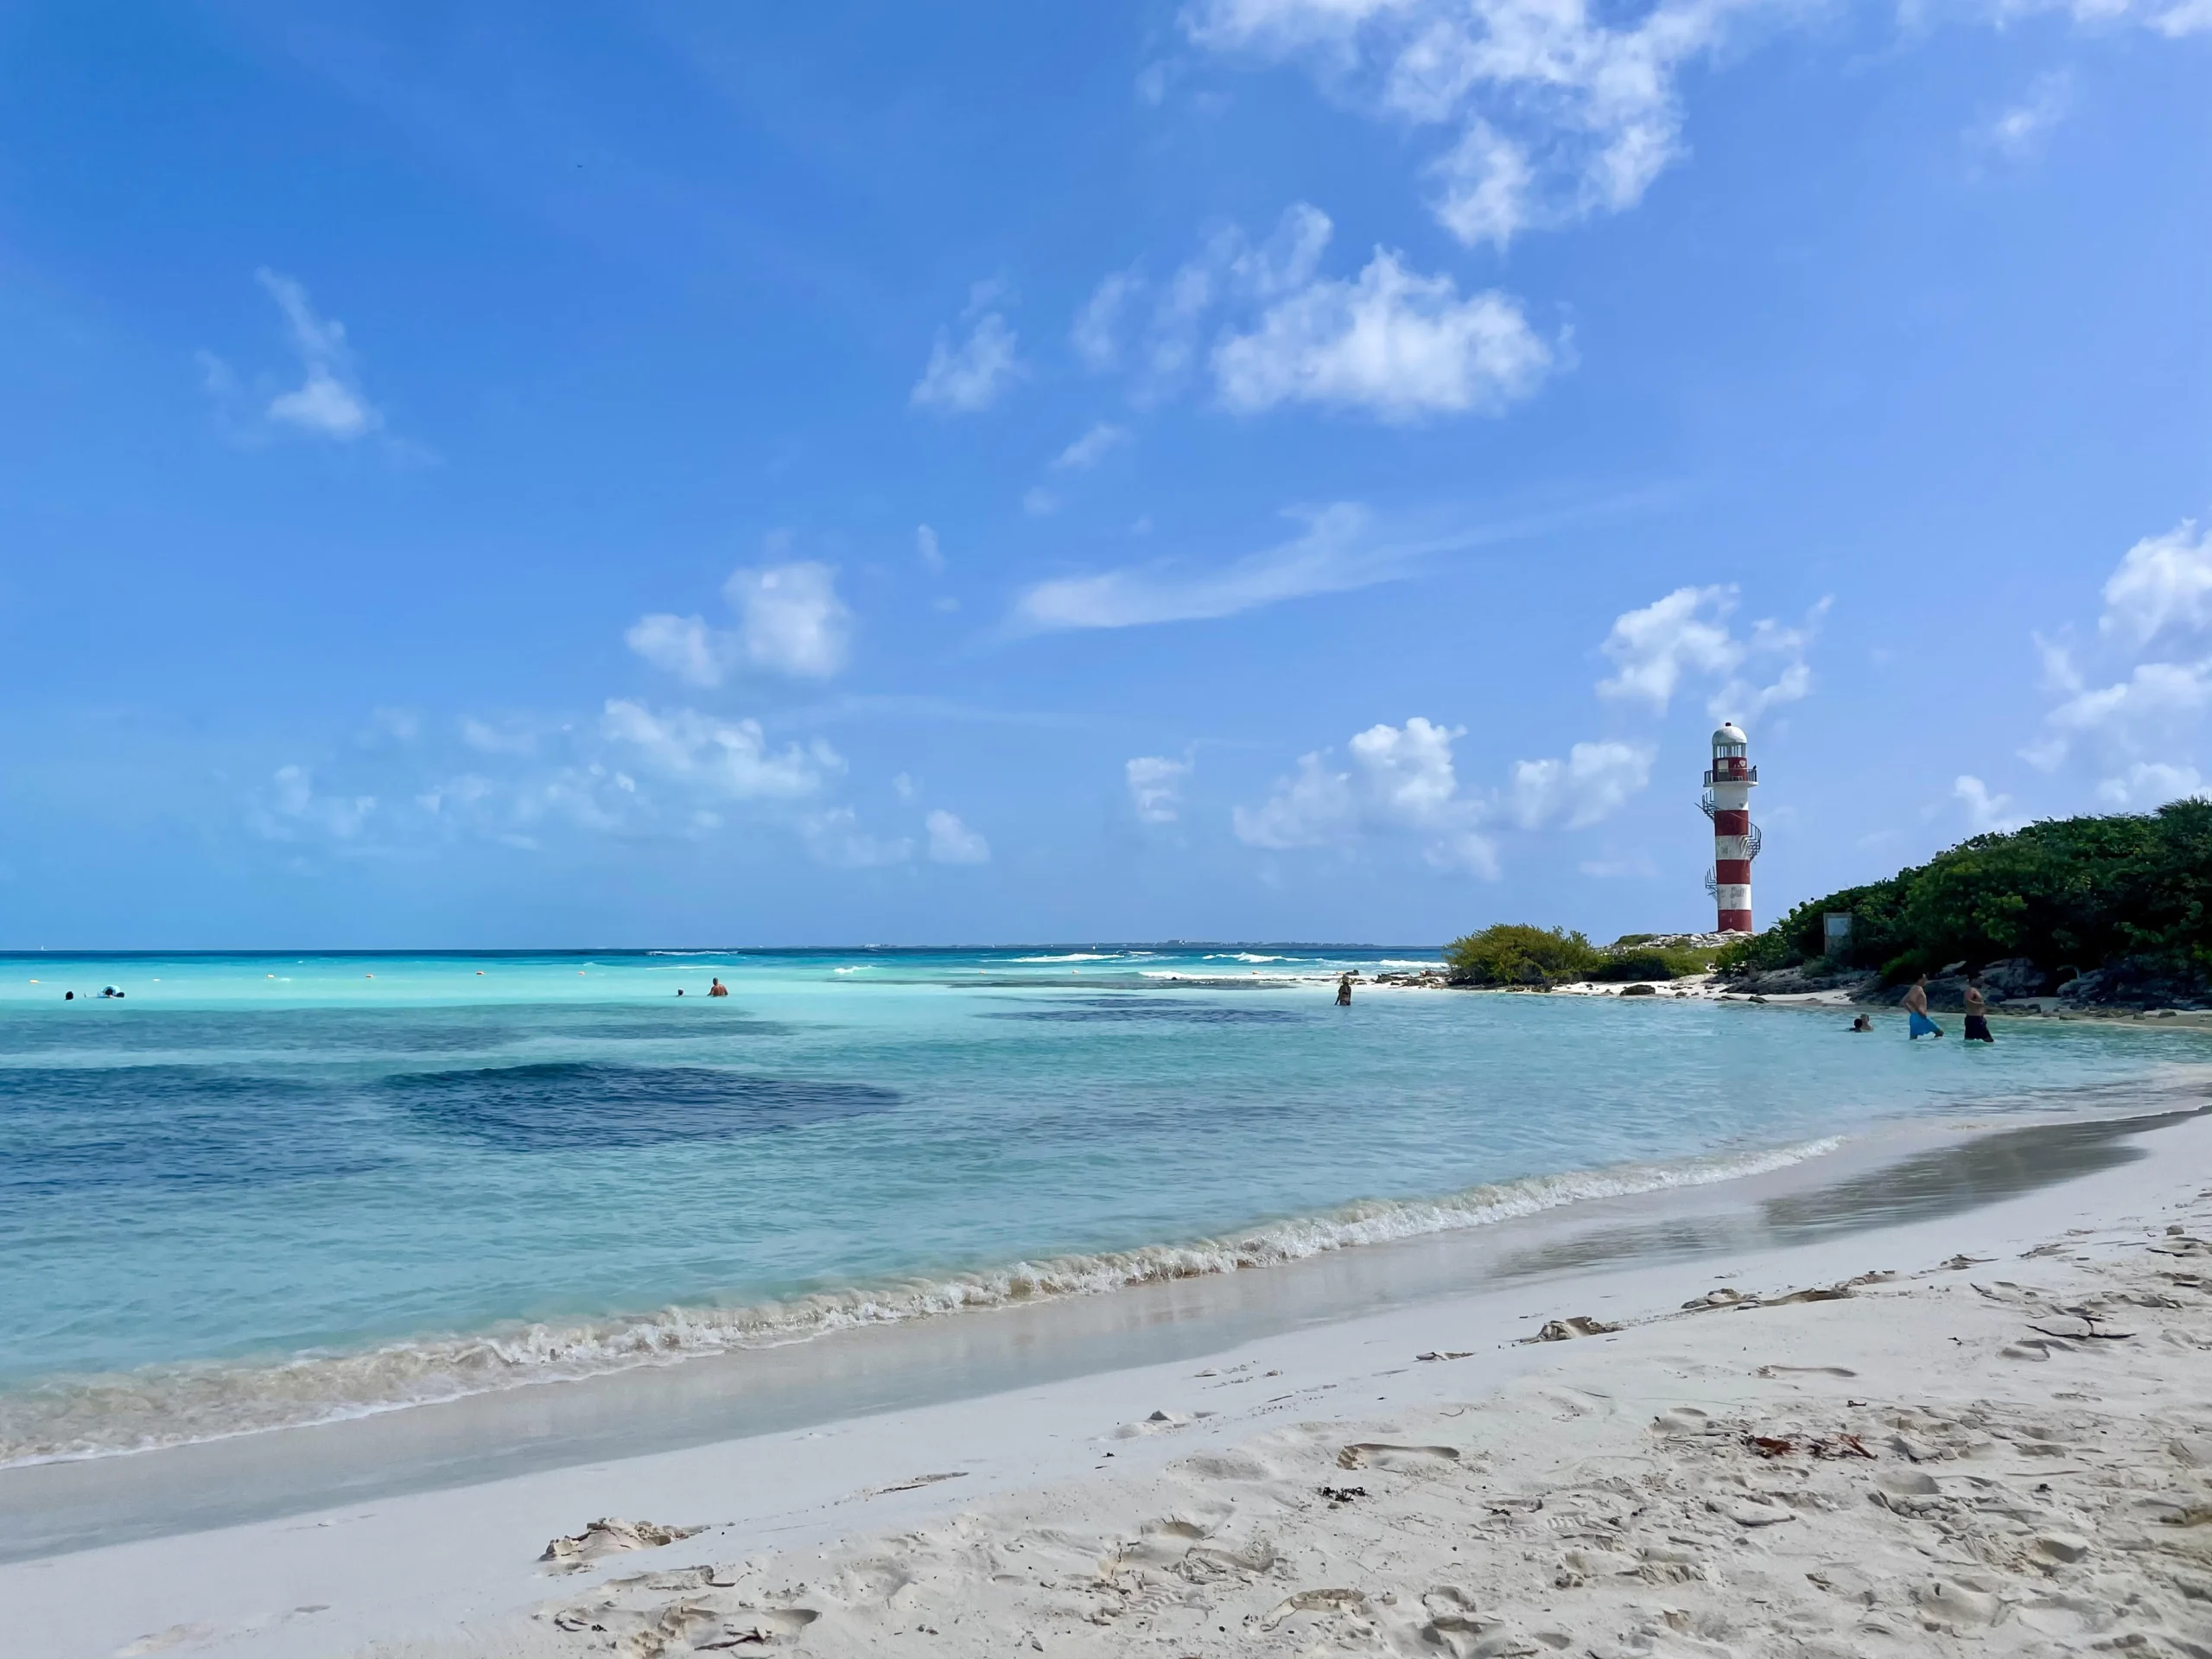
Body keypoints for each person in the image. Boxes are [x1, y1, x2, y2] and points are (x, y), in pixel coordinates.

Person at [1904, 974, 1944, 1039]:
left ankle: (1916, 1049)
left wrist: (1912, 1012)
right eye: (1925, 979)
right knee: (1940, 1033)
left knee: (1913, 1039)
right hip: (1921, 1017)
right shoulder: (1918, 988)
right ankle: (1930, 1048)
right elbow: (1911, 1000)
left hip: (1914, 1017)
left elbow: (1904, 1001)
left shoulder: (1914, 988)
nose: (1926, 980)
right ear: (1920, 980)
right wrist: (1920, 1012)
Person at [1962, 974, 1994, 1043]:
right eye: (1980, 980)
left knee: (1968, 1042)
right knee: (1990, 1042)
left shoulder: (1974, 990)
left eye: (1982, 980)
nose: (1982, 982)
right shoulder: (1971, 990)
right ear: (1973, 980)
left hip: (1973, 1019)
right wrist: (1982, 1005)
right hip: (1976, 1020)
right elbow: (1967, 1001)